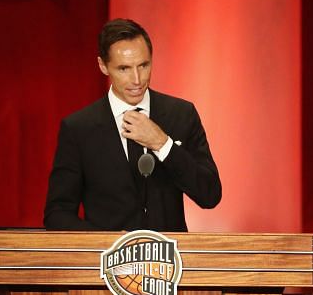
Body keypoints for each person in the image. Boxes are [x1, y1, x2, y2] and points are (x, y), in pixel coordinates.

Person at [43, 18, 221, 231]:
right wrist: (110, 243)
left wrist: (163, 144)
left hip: (170, 260)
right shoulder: (79, 128)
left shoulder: (181, 114)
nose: (137, 79)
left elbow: (210, 194)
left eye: (143, 65)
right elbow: (58, 214)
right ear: (103, 66)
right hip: (109, 261)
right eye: (124, 69)